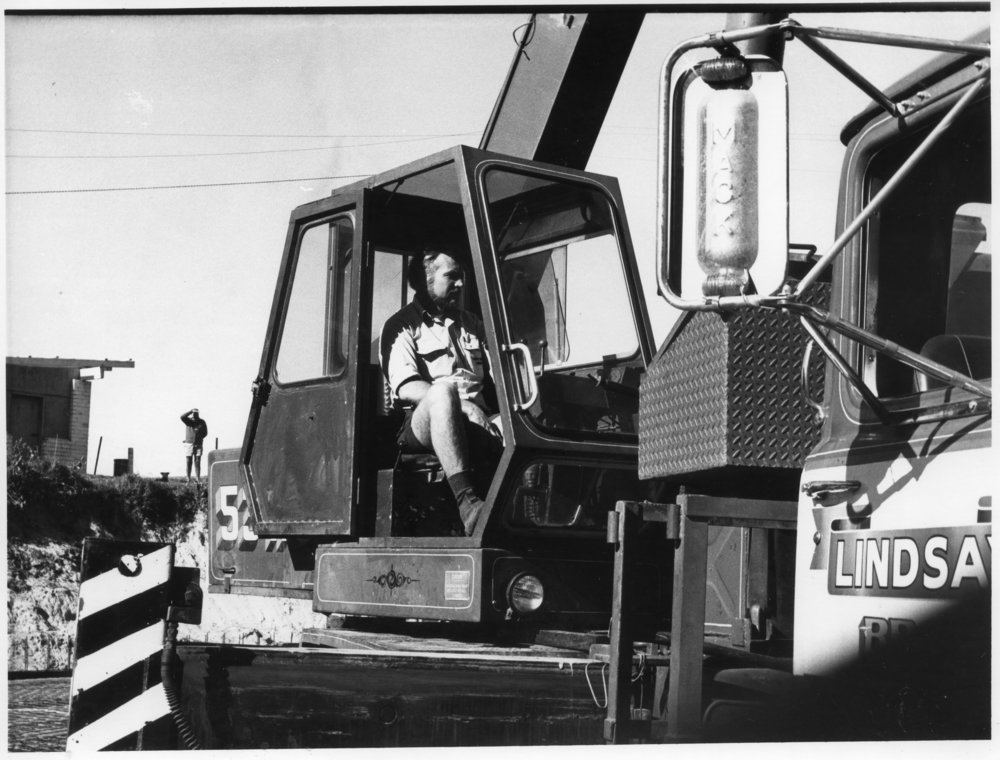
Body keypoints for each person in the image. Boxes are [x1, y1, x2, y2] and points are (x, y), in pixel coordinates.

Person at [380, 245, 502, 535]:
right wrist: (465, 406)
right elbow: (408, 386)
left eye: (462, 277)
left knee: (517, 421)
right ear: (426, 278)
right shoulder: (401, 327)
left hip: (478, 416)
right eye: (452, 276)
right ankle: (468, 502)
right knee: (443, 392)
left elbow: (502, 378)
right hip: (422, 424)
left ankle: (525, 505)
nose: (460, 284)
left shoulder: (473, 325)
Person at [180, 408, 208, 482]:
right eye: (193, 413)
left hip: (198, 443)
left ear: (198, 413)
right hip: (189, 443)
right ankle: (188, 477)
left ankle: (197, 477)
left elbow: (205, 433)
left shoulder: (202, 422)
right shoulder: (189, 421)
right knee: (189, 460)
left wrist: (199, 438)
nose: (195, 414)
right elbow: (182, 417)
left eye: (196, 413)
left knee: (198, 460)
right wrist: (190, 411)